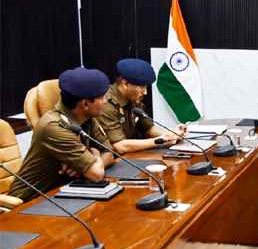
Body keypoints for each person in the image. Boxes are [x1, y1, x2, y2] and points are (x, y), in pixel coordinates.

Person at [9, 67, 116, 201]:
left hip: (65, 192)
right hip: (29, 201)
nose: (106, 101)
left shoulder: (87, 117)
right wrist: (94, 156)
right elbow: (97, 174)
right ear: (85, 104)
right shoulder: (53, 127)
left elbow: (110, 153)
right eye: (102, 97)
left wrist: (85, 166)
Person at [98, 58, 185, 154]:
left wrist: (172, 135)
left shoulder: (132, 99)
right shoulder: (105, 103)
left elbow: (149, 129)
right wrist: (159, 141)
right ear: (125, 84)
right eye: (142, 87)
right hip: (109, 158)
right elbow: (119, 146)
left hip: (128, 156)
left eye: (146, 87)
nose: (145, 92)